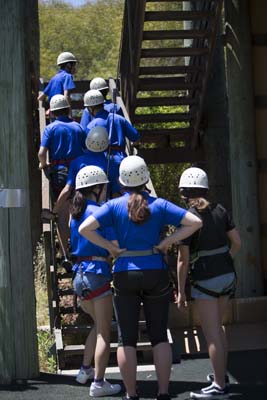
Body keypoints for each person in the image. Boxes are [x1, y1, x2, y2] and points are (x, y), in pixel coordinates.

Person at [78, 155, 202, 400]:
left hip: (124, 272)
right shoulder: (160, 205)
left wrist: (111, 248)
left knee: (127, 339)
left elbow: (85, 229)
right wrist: (167, 241)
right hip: (155, 271)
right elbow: (195, 222)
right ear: (146, 177)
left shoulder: (113, 206)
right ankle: (164, 391)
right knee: (158, 334)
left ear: (121, 180)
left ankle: (132, 393)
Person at [176, 167, 241, 400]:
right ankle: (220, 376)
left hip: (206, 281)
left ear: (184, 193)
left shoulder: (188, 219)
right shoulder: (221, 210)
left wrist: (181, 292)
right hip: (227, 277)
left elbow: (183, 260)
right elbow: (237, 242)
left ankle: (219, 387)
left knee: (211, 333)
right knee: (219, 328)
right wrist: (224, 261)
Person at [70, 165, 121, 397]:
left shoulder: (75, 215)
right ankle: (99, 383)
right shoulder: (101, 212)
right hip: (97, 272)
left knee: (96, 326)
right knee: (104, 332)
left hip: (79, 276)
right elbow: (115, 248)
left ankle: (85, 370)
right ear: (98, 188)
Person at [38, 94, 86, 263]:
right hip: (79, 173)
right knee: (79, 212)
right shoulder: (78, 127)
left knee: (62, 216)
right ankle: (80, 250)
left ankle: (65, 255)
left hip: (59, 172)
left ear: (53, 112)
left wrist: (43, 165)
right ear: (67, 109)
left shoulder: (50, 129)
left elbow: (42, 153)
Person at [84, 89, 140, 197]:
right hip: (121, 160)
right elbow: (136, 137)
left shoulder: (91, 125)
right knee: (123, 193)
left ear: (91, 108)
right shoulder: (119, 119)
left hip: (101, 161)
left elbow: (86, 147)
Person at [52, 126, 109, 216]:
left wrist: (55, 211)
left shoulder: (77, 162)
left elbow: (67, 190)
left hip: (79, 209)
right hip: (102, 210)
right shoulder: (110, 164)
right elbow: (115, 193)